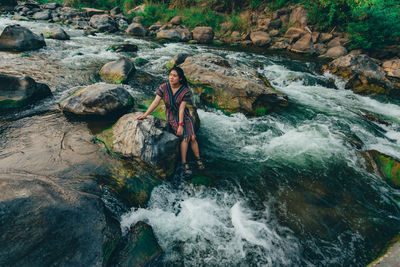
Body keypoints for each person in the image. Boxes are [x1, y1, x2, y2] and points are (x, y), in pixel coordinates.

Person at [135, 66, 204, 175]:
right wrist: (145, 114)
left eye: (174, 76)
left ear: (180, 78)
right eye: (170, 75)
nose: (171, 78)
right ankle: (184, 162)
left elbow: (182, 109)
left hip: (184, 115)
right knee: (186, 137)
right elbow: (155, 102)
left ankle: (198, 158)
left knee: (193, 137)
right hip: (172, 115)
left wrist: (181, 125)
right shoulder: (163, 87)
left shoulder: (185, 91)